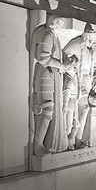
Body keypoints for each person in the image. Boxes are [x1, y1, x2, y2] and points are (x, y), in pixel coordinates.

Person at [32, 15, 70, 155]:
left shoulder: (54, 37)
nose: (61, 26)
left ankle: (42, 143)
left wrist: (65, 63)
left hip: (53, 76)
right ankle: (38, 145)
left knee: (50, 111)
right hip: (46, 76)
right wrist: (61, 65)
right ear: (54, 23)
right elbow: (43, 57)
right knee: (47, 110)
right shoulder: (47, 36)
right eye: (59, 23)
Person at [63, 24, 96, 147]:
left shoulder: (93, 50)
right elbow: (64, 56)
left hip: (86, 83)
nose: (91, 42)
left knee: (84, 110)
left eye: (93, 40)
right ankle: (68, 139)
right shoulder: (76, 44)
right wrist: (72, 66)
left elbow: (95, 66)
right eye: (89, 40)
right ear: (84, 37)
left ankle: (77, 138)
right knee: (71, 111)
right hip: (74, 81)